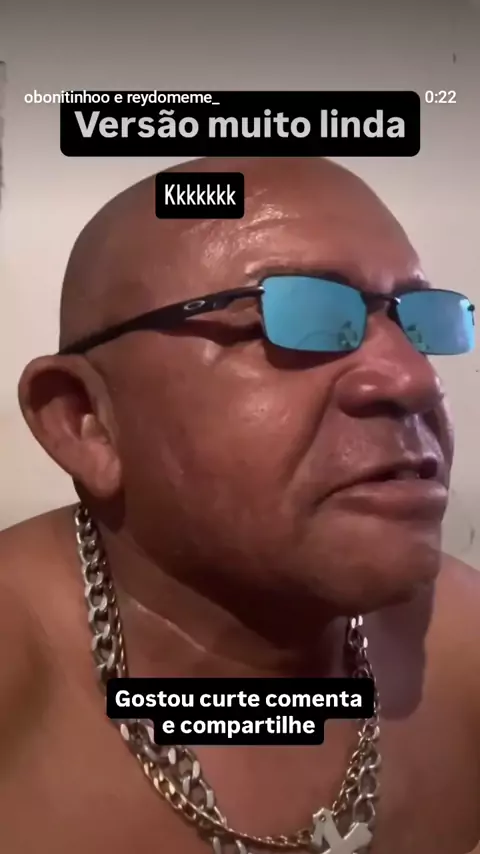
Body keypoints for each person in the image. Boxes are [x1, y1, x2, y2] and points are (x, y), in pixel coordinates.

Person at [1, 156, 479, 854]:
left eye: (420, 323)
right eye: (299, 317)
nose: (414, 380)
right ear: (87, 421)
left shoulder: (462, 645)